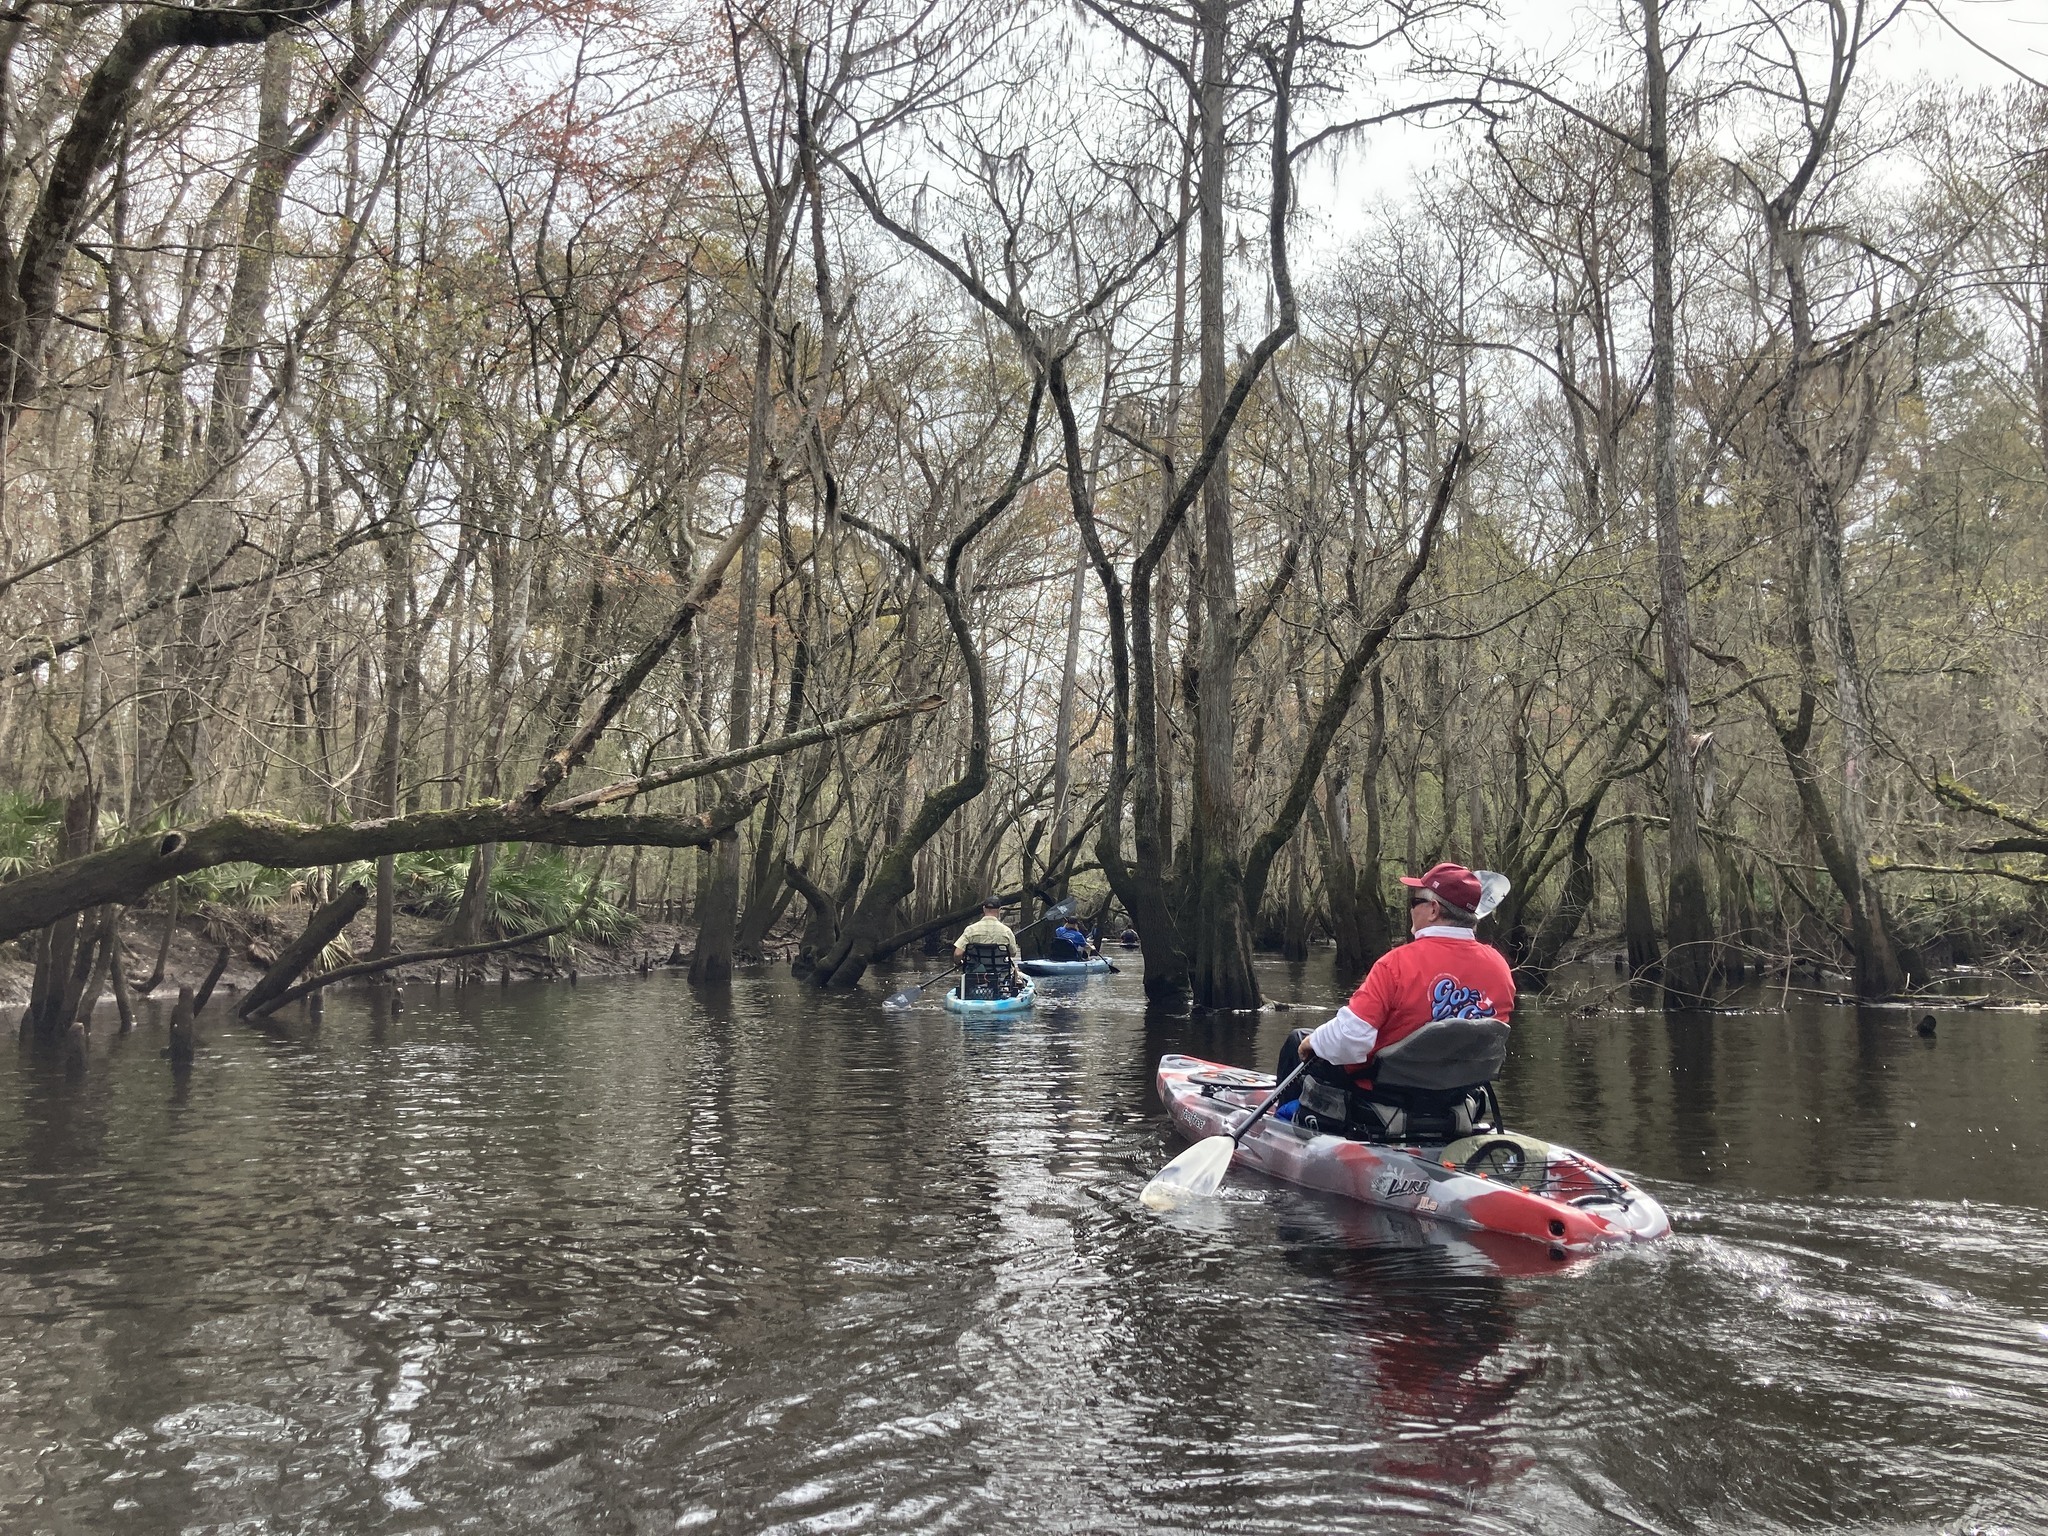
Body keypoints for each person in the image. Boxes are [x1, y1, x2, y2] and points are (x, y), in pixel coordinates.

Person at [1278, 862, 1514, 1111]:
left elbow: (1351, 1039)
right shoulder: (1500, 968)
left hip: (1383, 1095)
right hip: (1454, 1097)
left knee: (1298, 1041)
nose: (1410, 910)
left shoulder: (1397, 964)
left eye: (1414, 902)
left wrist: (1313, 1042)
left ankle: (1286, 1126)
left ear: (1433, 910)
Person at [954, 897, 1023, 996]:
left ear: (983, 909)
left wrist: (958, 962)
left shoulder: (970, 930)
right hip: (1000, 973)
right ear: (999, 910)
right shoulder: (1006, 931)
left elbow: (957, 954)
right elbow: (1013, 953)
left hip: (976, 973)